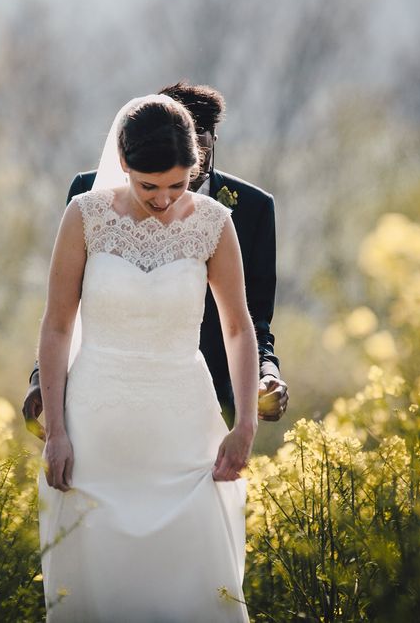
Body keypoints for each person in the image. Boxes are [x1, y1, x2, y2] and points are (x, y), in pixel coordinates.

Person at [37, 94, 255, 621]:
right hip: (96, 434)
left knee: (193, 582)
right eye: (148, 185)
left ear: (195, 169)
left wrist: (245, 423)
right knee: (100, 582)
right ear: (125, 164)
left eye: (178, 184)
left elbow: (239, 328)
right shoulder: (84, 216)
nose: (163, 198)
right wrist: (57, 432)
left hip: (184, 433)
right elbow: (58, 325)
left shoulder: (214, 224)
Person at [24, 82, 287, 435]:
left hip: (202, 404)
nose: (167, 196)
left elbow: (252, 322)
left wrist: (265, 376)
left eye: (195, 164)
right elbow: (62, 310)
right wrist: (44, 377)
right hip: (99, 402)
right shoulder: (89, 199)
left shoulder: (250, 210)